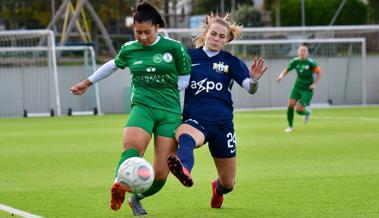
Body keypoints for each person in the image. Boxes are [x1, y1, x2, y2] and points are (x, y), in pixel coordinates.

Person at [70, 1, 191, 216]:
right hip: (142, 107)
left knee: (161, 175)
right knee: (132, 149)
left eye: (147, 32)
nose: (142, 37)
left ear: (156, 28)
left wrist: (162, 88)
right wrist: (87, 83)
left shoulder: (174, 48)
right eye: (138, 33)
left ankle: (136, 198)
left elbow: (185, 79)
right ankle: (119, 185)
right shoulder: (129, 49)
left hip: (170, 112)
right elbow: (112, 65)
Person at [166, 13, 268, 209]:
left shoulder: (230, 61)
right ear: (205, 33)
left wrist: (254, 79)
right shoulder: (188, 56)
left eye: (222, 36)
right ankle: (184, 168)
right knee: (185, 136)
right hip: (195, 120)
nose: (216, 38)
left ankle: (217, 189)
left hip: (223, 125)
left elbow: (250, 88)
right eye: (213, 33)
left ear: (227, 39)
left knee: (228, 183)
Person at [276, 44, 321, 132]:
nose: (302, 52)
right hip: (297, 87)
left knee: (299, 110)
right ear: (298, 52)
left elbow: (319, 73)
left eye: (304, 50)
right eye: (301, 50)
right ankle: (290, 126)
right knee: (290, 104)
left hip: (308, 89)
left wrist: (314, 84)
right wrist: (281, 76)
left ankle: (307, 112)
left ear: (307, 53)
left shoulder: (311, 62)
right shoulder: (295, 61)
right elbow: (287, 69)